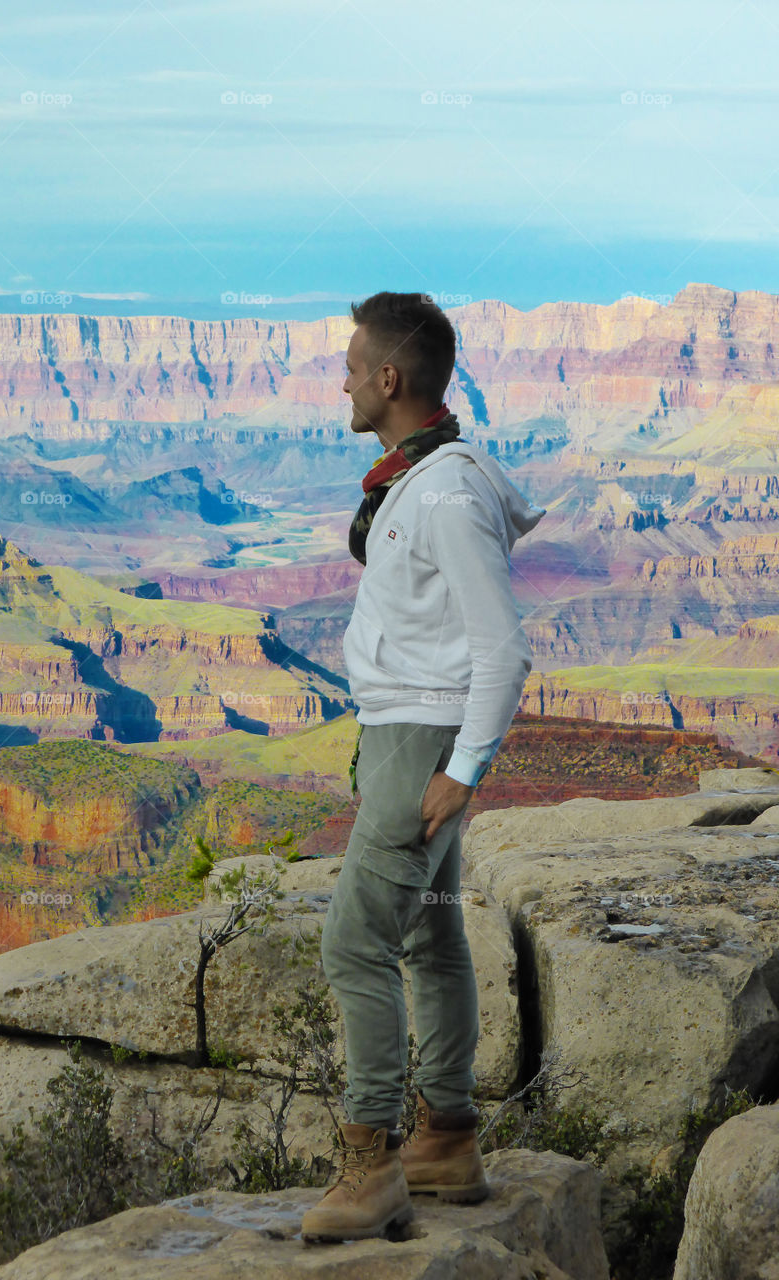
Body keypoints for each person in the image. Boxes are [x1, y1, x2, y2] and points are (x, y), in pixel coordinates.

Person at [301, 291, 546, 1243]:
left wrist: (465, 767)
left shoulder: (442, 494)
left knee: (353, 946)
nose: (347, 381)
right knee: (429, 939)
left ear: (390, 380)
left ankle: (370, 1170)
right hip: (410, 739)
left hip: (421, 747)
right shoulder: (429, 472)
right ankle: (444, 1140)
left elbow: (504, 646)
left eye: (355, 367)